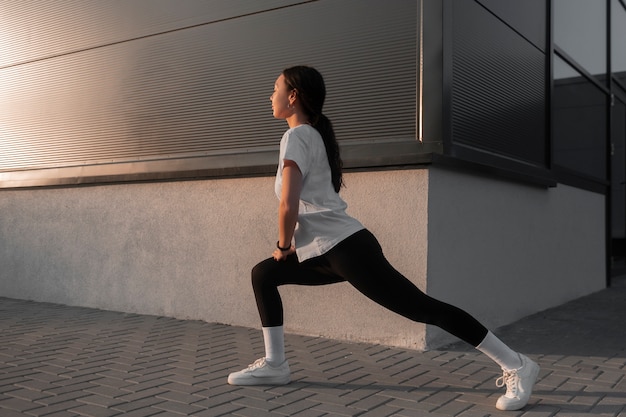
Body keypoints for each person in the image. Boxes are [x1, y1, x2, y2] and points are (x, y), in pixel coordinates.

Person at [227, 65, 540, 411]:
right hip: (327, 251)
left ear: (293, 96)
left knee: (423, 309)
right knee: (263, 274)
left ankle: (517, 365)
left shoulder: (298, 136)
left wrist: (284, 246)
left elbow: (288, 203)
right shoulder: (311, 135)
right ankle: (276, 365)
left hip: (346, 250)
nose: (269, 96)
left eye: (275, 89)